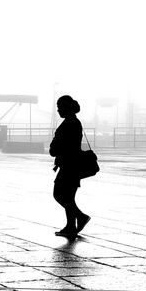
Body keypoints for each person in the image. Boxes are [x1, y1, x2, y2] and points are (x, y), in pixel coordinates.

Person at [49, 95, 90, 238]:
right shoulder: (73, 122)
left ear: (66, 107)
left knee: (59, 194)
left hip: (69, 165)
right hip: (72, 164)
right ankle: (71, 226)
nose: (58, 110)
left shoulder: (70, 123)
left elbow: (61, 145)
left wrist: (55, 146)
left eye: (60, 107)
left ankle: (81, 217)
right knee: (68, 197)